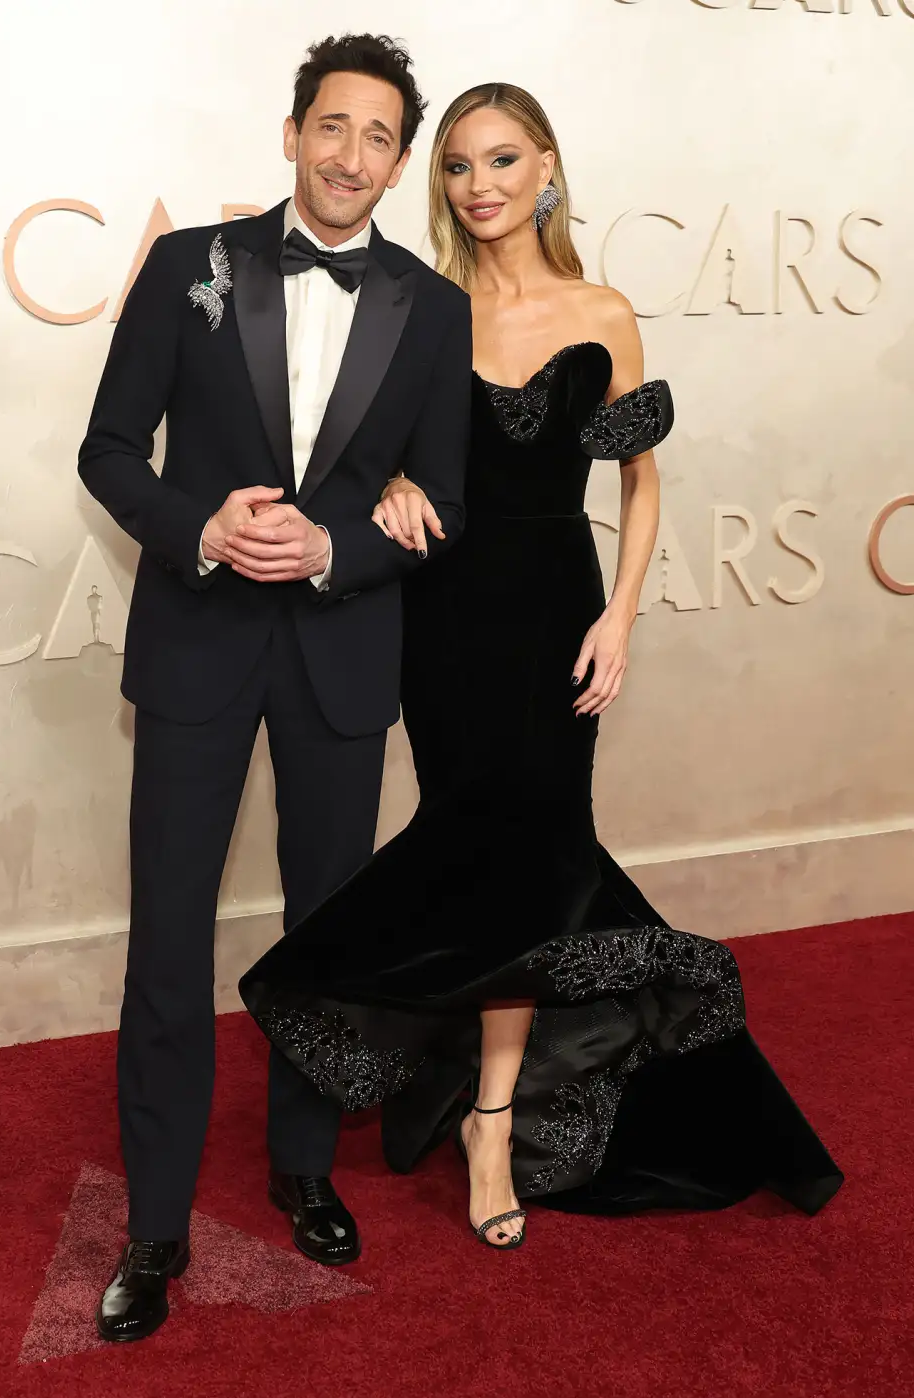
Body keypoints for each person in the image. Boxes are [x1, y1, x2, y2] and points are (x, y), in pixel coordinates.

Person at [240, 83, 843, 1251]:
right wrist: (392, 486)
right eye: (459, 166)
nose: (480, 186)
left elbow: (640, 479)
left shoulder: (602, 309)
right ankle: (468, 1096)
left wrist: (621, 617)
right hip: (445, 619)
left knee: (543, 845)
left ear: (548, 167)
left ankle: (492, 1118)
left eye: (503, 160)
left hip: (560, 608)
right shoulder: (418, 306)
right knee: (484, 849)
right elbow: (353, 450)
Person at [77, 35, 472, 1341]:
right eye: (334, 127)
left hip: (342, 652)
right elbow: (110, 448)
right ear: (294, 132)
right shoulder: (191, 267)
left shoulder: (430, 303)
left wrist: (336, 546)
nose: (353, 155)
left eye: (379, 138)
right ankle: (154, 1222)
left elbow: (443, 500)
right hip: (196, 642)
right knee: (169, 938)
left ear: (399, 161)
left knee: (324, 935)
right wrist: (201, 528)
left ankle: (304, 1164)